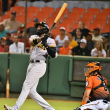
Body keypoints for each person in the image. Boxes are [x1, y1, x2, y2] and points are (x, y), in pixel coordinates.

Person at [4, 22, 57, 110]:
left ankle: (15, 108)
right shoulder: (34, 37)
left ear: (45, 29)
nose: (38, 28)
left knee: (26, 85)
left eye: (40, 27)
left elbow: (54, 55)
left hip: (40, 65)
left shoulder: (50, 40)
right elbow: (31, 42)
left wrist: (46, 45)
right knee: (31, 91)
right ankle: (49, 109)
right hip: (31, 64)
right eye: (38, 27)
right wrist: (41, 40)